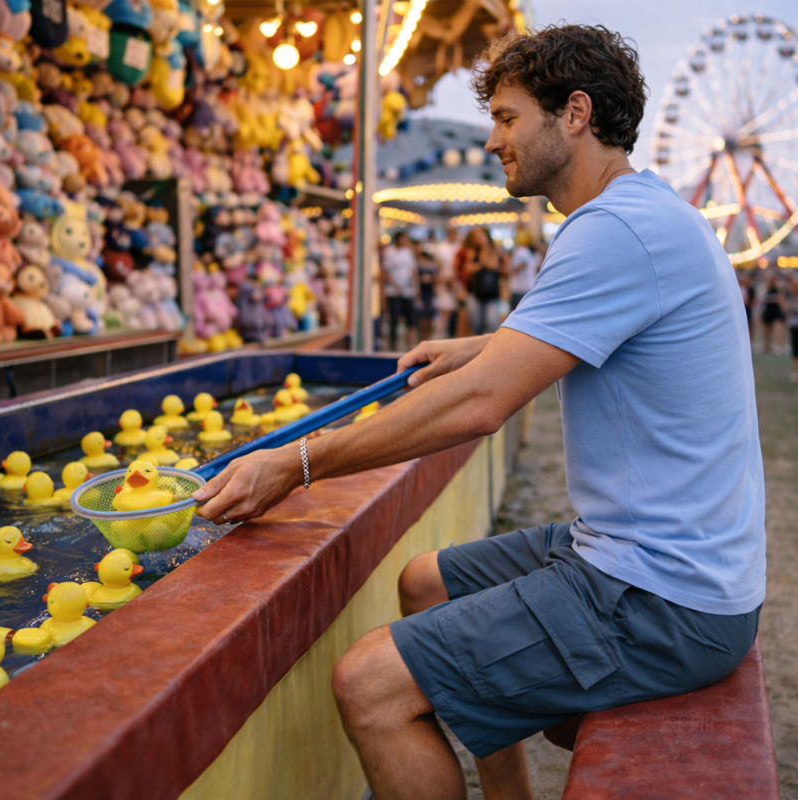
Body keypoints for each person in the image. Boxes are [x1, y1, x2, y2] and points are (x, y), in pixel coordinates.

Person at [193, 24, 764, 800]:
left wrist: (297, 463)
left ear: (574, 114)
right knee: (426, 581)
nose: (493, 139)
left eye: (506, 117)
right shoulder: (644, 211)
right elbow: (555, 343)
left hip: (665, 596)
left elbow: (481, 407)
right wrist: (483, 345)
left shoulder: (613, 230)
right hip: (665, 558)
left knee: (370, 684)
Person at [460, 227, 508, 335]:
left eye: (481, 236)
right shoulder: (473, 252)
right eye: (476, 237)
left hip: (492, 292)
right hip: (476, 291)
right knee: (476, 323)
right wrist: (482, 262)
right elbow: (468, 269)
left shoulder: (496, 250)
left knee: (492, 322)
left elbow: (501, 268)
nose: (479, 239)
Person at [381, 231, 418, 351]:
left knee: (411, 319)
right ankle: (393, 345)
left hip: (407, 292)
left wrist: (416, 287)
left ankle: (410, 344)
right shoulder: (389, 252)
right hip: (394, 292)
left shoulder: (408, 252)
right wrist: (394, 285)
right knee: (394, 319)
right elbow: (384, 271)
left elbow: (413, 271)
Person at [433, 227, 461, 338]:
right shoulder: (440, 248)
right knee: (444, 310)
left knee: (455, 311)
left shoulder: (459, 247)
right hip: (444, 280)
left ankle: (452, 334)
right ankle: (440, 335)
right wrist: (443, 280)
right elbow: (438, 267)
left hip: (456, 280)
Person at [508, 228, 543, 310]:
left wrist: (512, 270)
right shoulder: (535, 253)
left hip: (519, 289)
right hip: (530, 287)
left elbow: (519, 266)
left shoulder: (521, 251)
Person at [417, 241, 438, 341]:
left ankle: (428, 335)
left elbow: (436, 279)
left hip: (429, 294)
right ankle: (422, 335)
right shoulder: (418, 269)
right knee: (421, 315)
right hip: (421, 294)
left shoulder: (432, 269)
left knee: (429, 315)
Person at [761, 273, 785, 354]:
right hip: (768, 311)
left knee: (778, 328)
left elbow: (781, 299)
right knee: (767, 330)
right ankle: (768, 344)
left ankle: (778, 345)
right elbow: (761, 299)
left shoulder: (778, 289)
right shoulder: (765, 289)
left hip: (776, 311)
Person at [786, 274, 798, 382]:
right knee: (795, 349)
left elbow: (791, 310)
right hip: (794, 325)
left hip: (795, 325)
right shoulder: (792, 297)